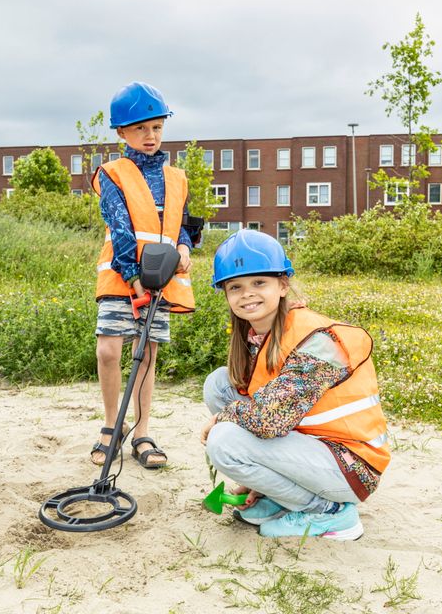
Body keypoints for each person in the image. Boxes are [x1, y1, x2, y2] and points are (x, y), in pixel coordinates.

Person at [200, 230, 391, 540]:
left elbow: (269, 420)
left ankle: (328, 513)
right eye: (236, 286)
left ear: (283, 284)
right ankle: (278, 496)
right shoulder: (258, 338)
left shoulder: (316, 341)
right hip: (312, 448)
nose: (247, 294)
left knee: (223, 441)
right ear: (226, 294)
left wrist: (223, 418)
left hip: (351, 466)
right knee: (219, 384)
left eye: (259, 282)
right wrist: (257, 480)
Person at [90, 81, 197, 469]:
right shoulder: (111, 174)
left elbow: (180, 226)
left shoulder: (177, 178)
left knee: (147, 352)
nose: (149, 136)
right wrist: (134, 276)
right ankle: (110, 426)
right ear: (122, 132)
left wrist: (184, 249)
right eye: (140, 129)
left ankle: (142, 432)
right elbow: (119, 227)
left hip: (161, 277)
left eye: (156, 127)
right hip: (122, 276)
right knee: (109, 349)